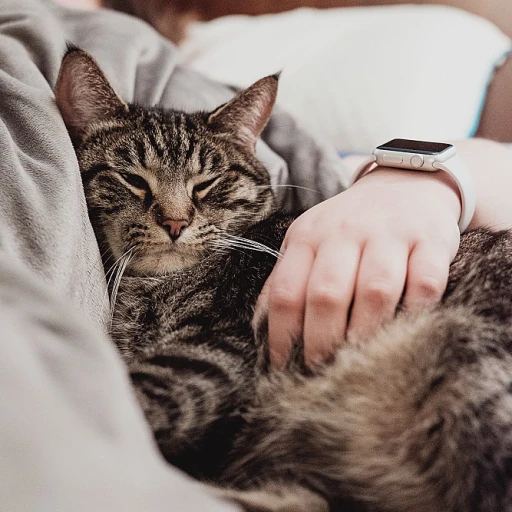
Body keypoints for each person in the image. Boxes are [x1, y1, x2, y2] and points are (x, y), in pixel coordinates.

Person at [2, 0, 512, 510]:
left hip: (440, 349)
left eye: (210, 187)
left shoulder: (264, 239)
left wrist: (416, 182)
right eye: (135, 183)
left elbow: (210, 372)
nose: (175, 220)